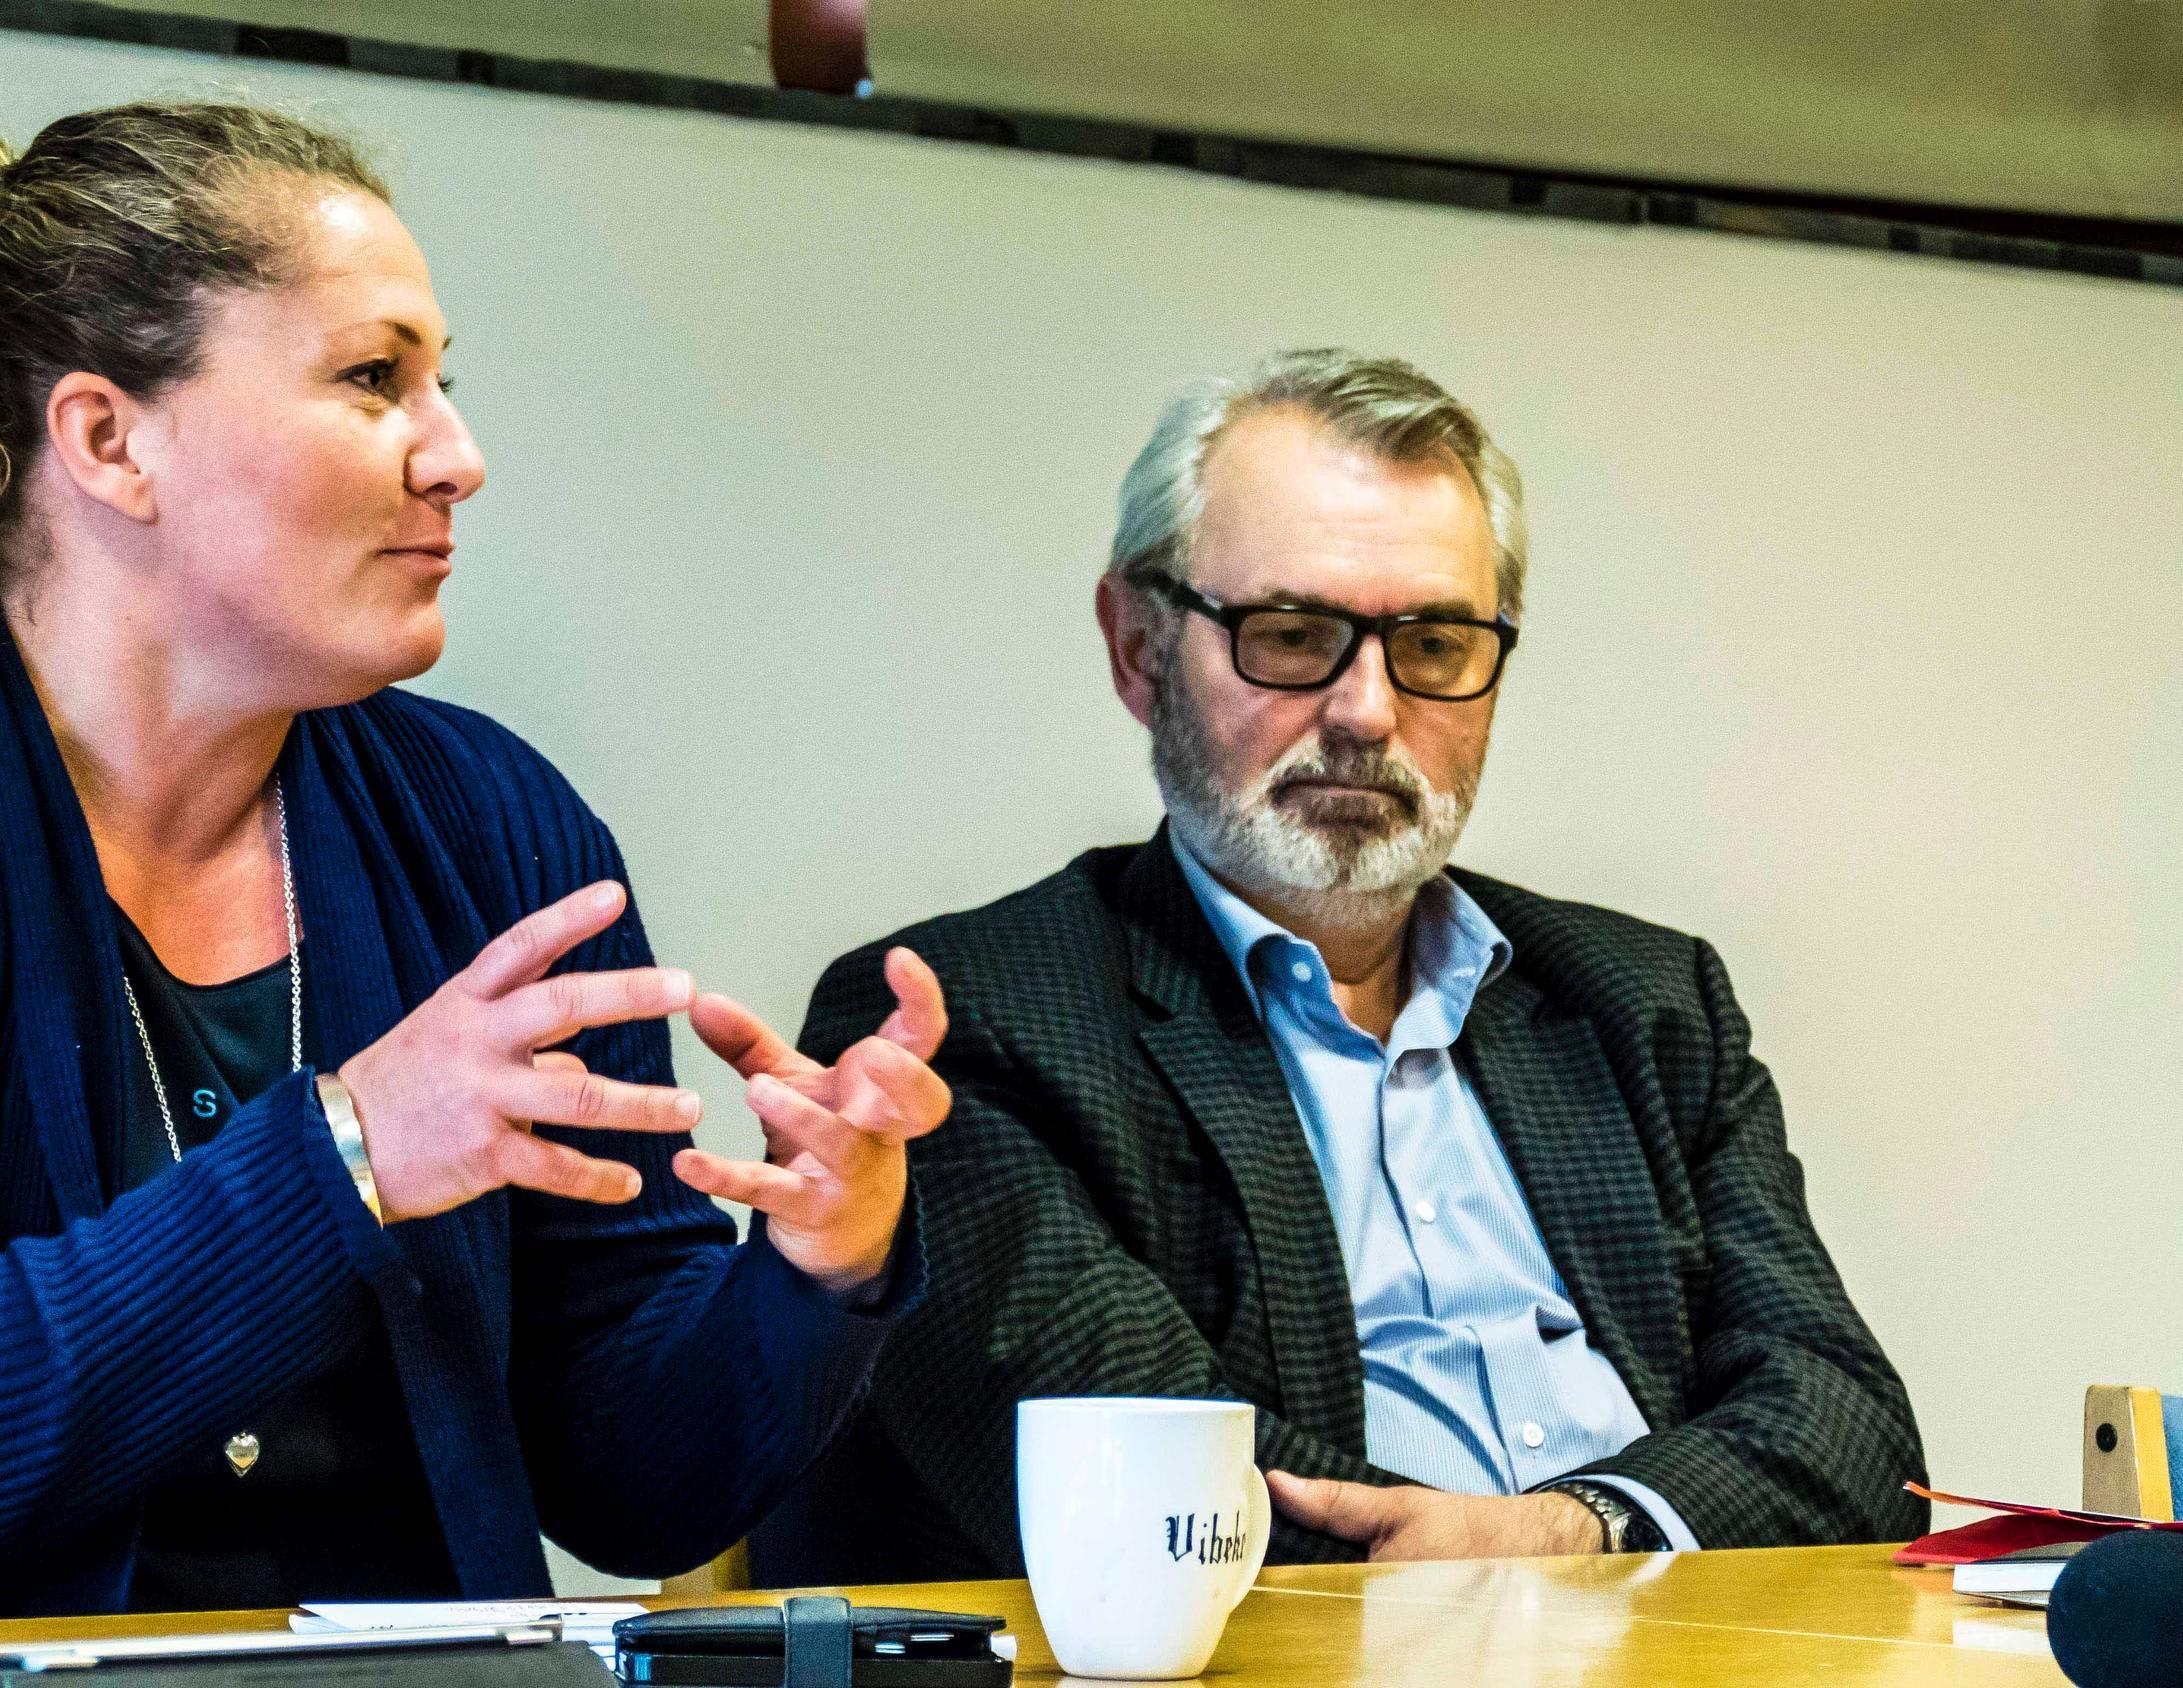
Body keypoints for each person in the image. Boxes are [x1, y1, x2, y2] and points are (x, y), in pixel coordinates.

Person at [0, 102, 950, 1630]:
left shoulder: (492, 825)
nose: (456, 457)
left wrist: (818, 1264)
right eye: (372, 379)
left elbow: (629, 1483)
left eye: (441, 385)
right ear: (109, 440)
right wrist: (348, 1152)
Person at [752, 349, 1923, 1580]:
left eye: (1434, 643)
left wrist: (1571, 1528)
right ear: (1138, 648)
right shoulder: (959, 1027)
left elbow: (1849, 1431)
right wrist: (1513, 1582)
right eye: (1293, 633)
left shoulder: (1644, 1002)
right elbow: (1150, 1492)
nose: (1366, 710)